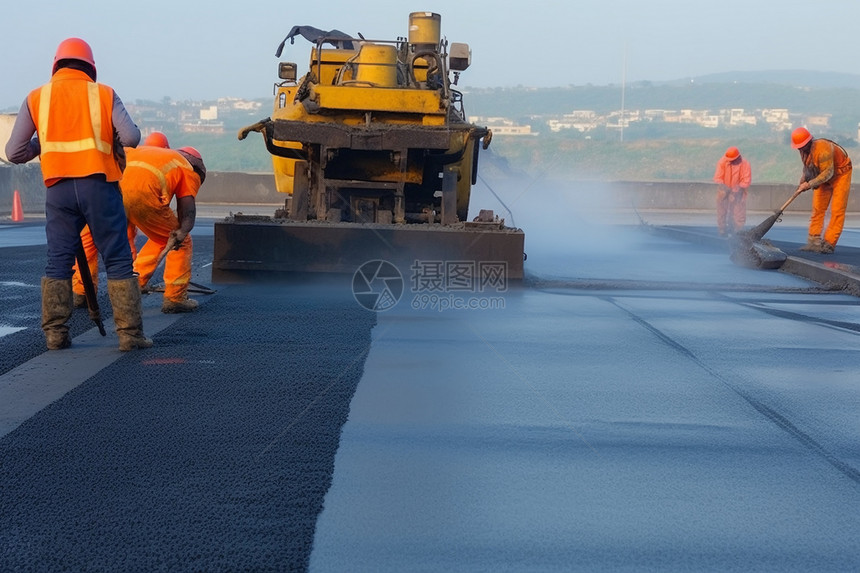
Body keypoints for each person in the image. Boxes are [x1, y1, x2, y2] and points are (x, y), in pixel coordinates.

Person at [4, 37, 151, 351]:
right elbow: (132, 137)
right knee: (118, 259)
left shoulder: (37, 98)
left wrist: (43, 144)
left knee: (58, 262)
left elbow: (14, 152)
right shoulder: (104, 94)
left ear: (56, 64)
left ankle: (56, 334)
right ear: (91, 66)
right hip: (99, 186)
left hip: (58, 191)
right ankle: (130, 335)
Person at [71, 131, 171, 307]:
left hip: (96, 194)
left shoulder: (129, 151)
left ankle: (82, 291)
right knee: (123, 245)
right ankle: (130, 287)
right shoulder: (161, 159)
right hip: (121, 199)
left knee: (88, 242)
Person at [122, 145, 206, 313]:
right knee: (179, 241)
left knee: (96, 240)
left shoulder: (148, 152)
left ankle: (82, 291)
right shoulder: (188, 169)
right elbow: (187, 209)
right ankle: (175, 298)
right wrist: (182, 231)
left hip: (113, 190)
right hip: (143, 194)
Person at [790, 127, 853, 253]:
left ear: (808, 142)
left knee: (837, 210)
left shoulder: (823, 149)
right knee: (818, 208)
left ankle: (829, 243)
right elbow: (808, 168)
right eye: (798, 147)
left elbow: (828, 174)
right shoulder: (804, 151)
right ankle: (814, 240)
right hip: (821, 176)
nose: (800, 148)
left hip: (840, 174)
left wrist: (809, 185)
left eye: (801, 146)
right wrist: (802, 182)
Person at [713, 146, 751, 236]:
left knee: (738, 214)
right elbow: (718, 177)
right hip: (724, 191)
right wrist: (724, 188)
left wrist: (737, 189)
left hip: (738, 192)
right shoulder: (722, 162)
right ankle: (722, 231)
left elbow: (746, 180)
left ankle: (738, 232)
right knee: (722, 212)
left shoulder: (744, 164)